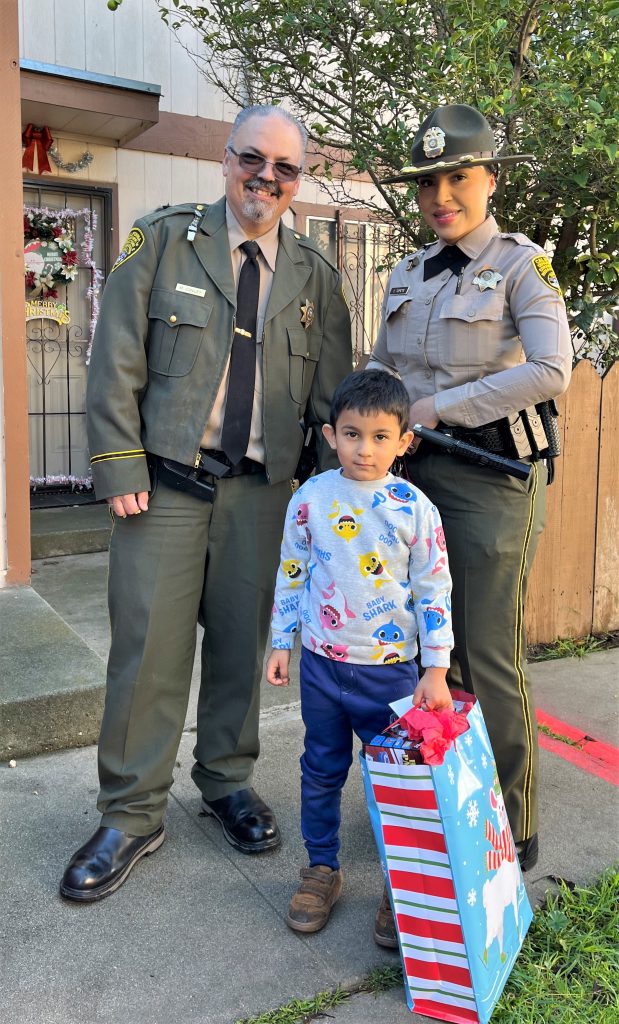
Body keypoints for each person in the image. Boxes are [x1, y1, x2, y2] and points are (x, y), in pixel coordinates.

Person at [60, 105, 352, 902]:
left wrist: (332, 509)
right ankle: (131, 810)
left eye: (285, 168)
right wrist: (119, 467)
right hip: (164, 491)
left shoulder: (317, 278)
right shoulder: (162, 239)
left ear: (299, 179)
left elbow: (330, 406)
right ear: (225, 160)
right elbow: (114, 354)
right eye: (252, 159)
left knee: (238, 650)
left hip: (263, 496)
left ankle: (224, 780)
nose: (266, 177)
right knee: (147, 655)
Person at [369, 103, 572, 872]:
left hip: (491, 484)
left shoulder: (523, 265)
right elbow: (383, 363)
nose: (440, 195)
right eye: (427, 183)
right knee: (428, 653)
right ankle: (439, 797)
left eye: (457, 177)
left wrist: (435, 408)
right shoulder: (406, 271)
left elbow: (549, 369)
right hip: (413, 483)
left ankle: (510, 825)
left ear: (488, 179)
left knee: (487, 655)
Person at [266, 369, 454, 945]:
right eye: (352, 434)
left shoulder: (415, 509)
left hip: (391, 674)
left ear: (405, 441)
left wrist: (437, 668)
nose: (364, 449)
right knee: (320, 769)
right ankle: (321, 866)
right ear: (330, 435)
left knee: (392, 780)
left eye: (379, 437)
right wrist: (280, 640)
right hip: (322, 667)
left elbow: (434, 589)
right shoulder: (311, 498)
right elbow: (292, 572)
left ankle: (400, 883)